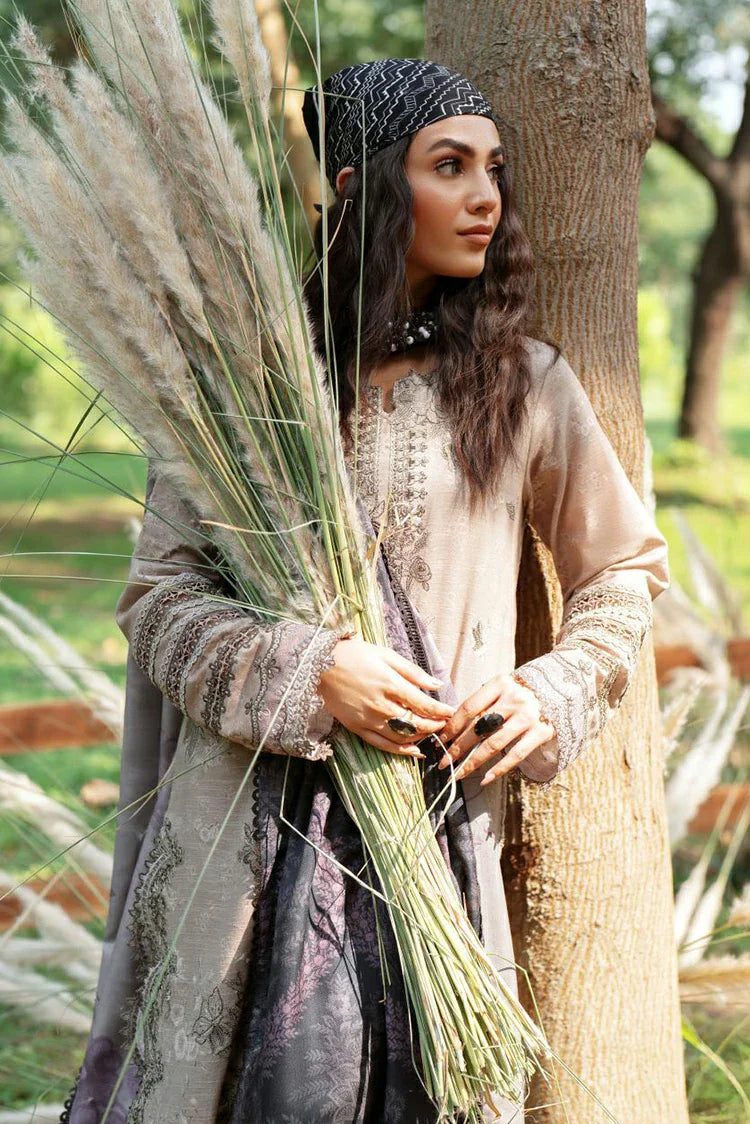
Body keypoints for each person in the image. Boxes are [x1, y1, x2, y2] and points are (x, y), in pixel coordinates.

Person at [62, 58, 669, 1124]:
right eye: (450, 166)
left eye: (494, 169)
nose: (486, 197)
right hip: (239, 830)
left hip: (432, 816)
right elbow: (157, 599)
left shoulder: (522, 381)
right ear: (363, 186)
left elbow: (623, 569)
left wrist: (551, 688)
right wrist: (312, 672)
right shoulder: (248, 387)